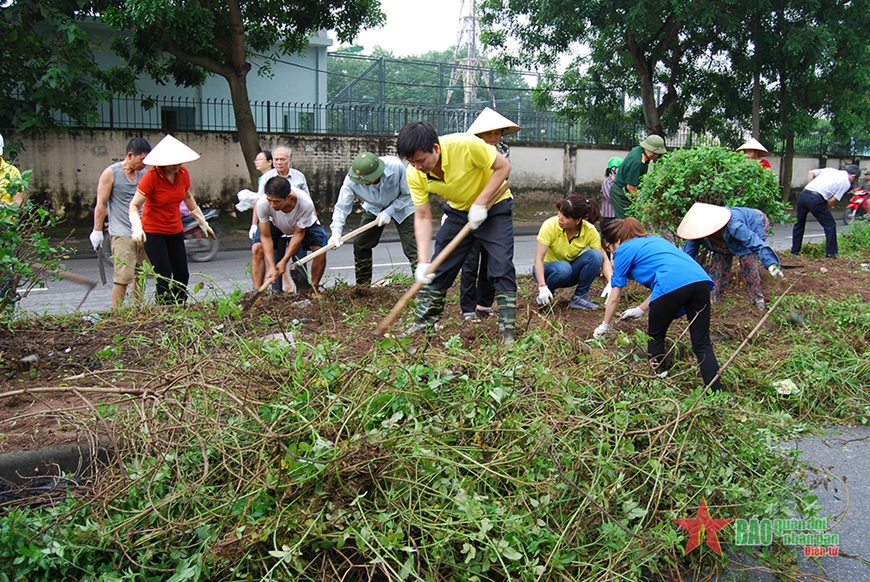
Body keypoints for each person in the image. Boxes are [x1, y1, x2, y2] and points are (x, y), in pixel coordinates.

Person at [396, 120, 516, 344]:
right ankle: (423, 323)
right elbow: (422, 216)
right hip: (459, 211)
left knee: (500, 266)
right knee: (438, 267)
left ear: (436, 148)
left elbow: (504, 167)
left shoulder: (466, 145)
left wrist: (481, 202)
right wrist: (423, 261)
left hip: (494, 205)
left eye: (421, 160)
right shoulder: (414, 173)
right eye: (412, 162)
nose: (418, 166)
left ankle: (508, 331)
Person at [594, 218, 722, 392]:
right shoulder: (655, 241)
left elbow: (615, 296)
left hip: (674, 285)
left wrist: (605, 325)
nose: (612, 253)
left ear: (616, 240)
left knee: (655, 337)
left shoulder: (624, 248)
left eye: (609, 249)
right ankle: (716, 393)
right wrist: (640, 309)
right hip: (700, 282)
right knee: (702, 344)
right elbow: (664, 282)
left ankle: (659, 386)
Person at [128, 135, 215, 305]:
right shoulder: (151, 178)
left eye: (179, 162)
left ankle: (177, 304)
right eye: (173, 163)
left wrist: (202, 221)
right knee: (164, 276)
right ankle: (164, 310)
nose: (177, 166)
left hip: (174, 230)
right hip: (153, 232)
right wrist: (136, 228)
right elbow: (134, 205)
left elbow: (188, 197)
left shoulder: (182, 174)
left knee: (182, 275)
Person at [458, 108, 521, 321]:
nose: (495, 137)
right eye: (490, 133)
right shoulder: (469, 151)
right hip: (472, 206)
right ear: (479, 134)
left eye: (498, 132)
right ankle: (467, 308)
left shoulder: (503, 150)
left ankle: (484, 304)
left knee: (492, 260)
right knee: (470, 259)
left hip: (496, 208)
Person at [329, 152, 417, 286]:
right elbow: (342, 207)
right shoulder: (351, 181)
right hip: (375, 208)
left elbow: (407, 194)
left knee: (413, 247)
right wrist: (336, 231)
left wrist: (389, 211)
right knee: (360, 243)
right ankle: (363, 288)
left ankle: (424, 288)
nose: (366, 184)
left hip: (403, 206)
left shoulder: (395, 166)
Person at [678, 203, 784, 310]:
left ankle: (757, 300)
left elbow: (753, 241)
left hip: (754, 223)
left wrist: (770, 262)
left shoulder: (734, 225)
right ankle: (713, 299)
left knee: (747, 258)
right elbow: (687, 257)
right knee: (719, 261)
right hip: (726, 240)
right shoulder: (697, 232)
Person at [90, 138, 152, 309]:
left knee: (142, 273)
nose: (143, 164)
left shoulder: (145, 175)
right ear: (130, 155)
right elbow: (101, 204)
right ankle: (117, 314)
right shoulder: (111, 173)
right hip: (121, 233)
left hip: (142, 230)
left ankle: (138, 309)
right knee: (123, 277)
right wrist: (97, 231)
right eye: (142, 160)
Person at [534, 195, 612, 309]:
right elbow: (538, 260)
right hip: (546, 272)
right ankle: (546, 295)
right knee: (563, 268)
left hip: (568, 272)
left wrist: (611, 282)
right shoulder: (550, 225)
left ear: (577, 220)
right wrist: (542, 286)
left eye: (565, 216)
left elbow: (604, 259)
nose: (560, 218)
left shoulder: (589, 230)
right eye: (559, 213)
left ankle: (579, 297)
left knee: (596, 256)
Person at [251, 145, 310, 291]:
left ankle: (305, 292)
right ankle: (265, 293)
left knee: (299, 258)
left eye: (282, 159)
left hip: (296, 221)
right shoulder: (266, 179)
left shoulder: (299, 177)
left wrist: (313, 218)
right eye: (276, 159)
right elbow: (260, 203)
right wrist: (254, 224)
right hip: (273, 222)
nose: (279, 162)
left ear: (289, 160)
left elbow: (307, 200)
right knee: (260, 249)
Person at [257, 176, 327, 289]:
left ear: (288, 197)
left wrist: (284, 261)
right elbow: (265, 236)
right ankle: (258, 293)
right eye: (269, 200)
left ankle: (313, 289)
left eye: (276, 202)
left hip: (303, 225)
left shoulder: (305, 203)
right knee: (257, 247)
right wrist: (271, 266)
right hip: (276, 223)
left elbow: (298, 233)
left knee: (320, 250)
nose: (272, 205)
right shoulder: (262, 203)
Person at [791, 164, 859, 258]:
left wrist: (810, 187)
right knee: (830, 225)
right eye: (853, 180)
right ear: (853, 176)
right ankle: (831, 253)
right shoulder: (846, 182)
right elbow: (831, 201)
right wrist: (822, 208)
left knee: (799, 224)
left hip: (803, 194)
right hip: (816, 199)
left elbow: (811, 172)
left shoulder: (830, 170)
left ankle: (794, 252)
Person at [609, 135, 667, 219]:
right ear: (650, 149)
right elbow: (631, 187)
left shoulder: (639, 150)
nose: (656, 156)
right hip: (621, 194)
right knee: (627, 224)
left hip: (625, 192)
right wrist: (643, 205)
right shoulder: (637, 162)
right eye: (655, 153)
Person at [600, 156, 622, 230]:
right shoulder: (606, 183)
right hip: (608, 217)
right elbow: (612, 197)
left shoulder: (622, 183)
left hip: (618, 216)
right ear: (612, 170)